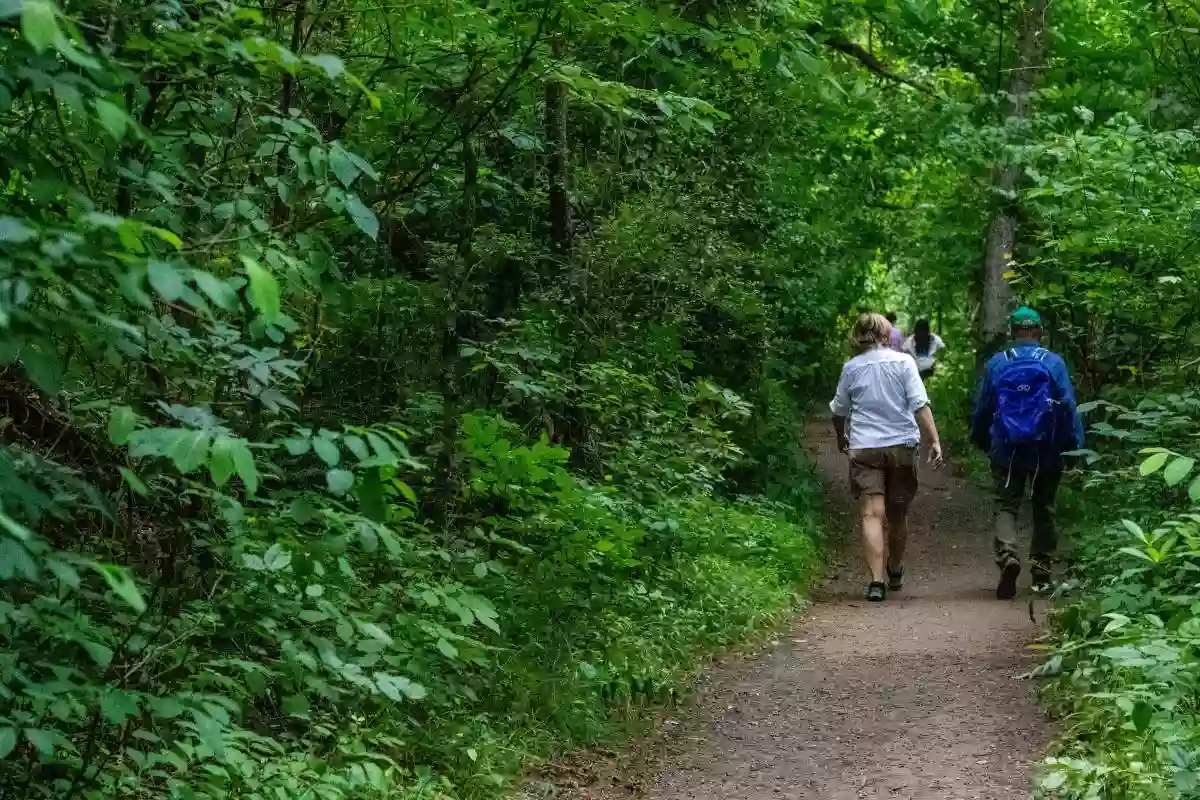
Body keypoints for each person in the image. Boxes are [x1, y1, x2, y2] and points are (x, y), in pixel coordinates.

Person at [970, 306, 1084, 599]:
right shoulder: (1053, 362)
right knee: (1043, 506)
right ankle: (1041, 572)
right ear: (1039, 332)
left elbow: (984, 407)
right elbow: (1068, 407)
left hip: (1008, 447)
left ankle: (1008, 555)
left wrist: (981, 439)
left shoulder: (998, 362)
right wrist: (1075, 448)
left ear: (1012, 332)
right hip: (1048, 447)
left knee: (1007, 504)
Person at [831, 312, 944, 602]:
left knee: (871, 512)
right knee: (897, 513)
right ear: (885, 335)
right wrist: (934, 439)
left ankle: (876, 581)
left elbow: (839, 411)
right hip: (902, 446)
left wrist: (841, 437)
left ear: (857, 336)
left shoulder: (851, 368)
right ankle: (894, 569)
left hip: (865, 447)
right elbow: (920, 404)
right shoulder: (904, 362)